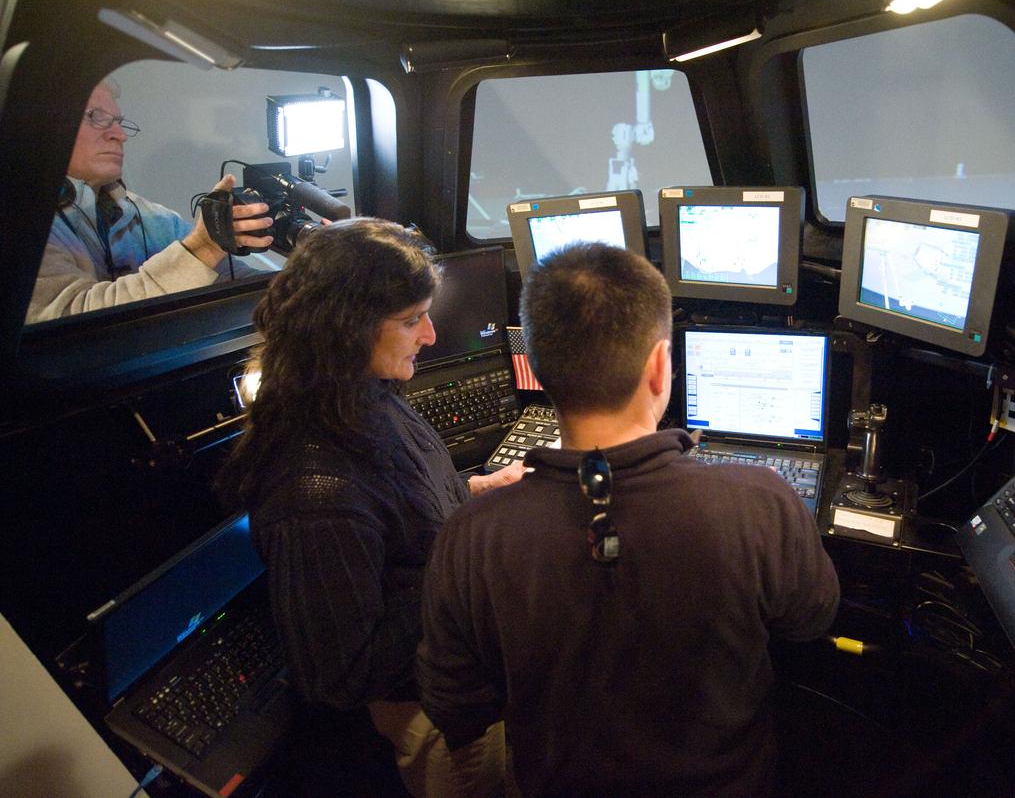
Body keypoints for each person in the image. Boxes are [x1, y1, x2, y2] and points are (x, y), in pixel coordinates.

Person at [417, 243, 841, 796]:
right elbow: (811, 620)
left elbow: (456, 704)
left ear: (538, 372)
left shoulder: (472, 534)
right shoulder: (762, 501)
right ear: (661, 366)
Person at [218, 218, 524, 797]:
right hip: (442, 723)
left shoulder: (361, 395)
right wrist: (475, 565)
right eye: (412, 320)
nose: (430, 336)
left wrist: (478, 491)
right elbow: (341, 672)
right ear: (346, 328)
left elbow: (398, 512)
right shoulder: (315, 491)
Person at [25, 78, 275, 323]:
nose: (120, 135)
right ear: (42, 127)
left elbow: (235, 281)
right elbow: (72, 322)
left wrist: (306, 268)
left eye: (118, 122)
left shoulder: (151, 217)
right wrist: (204, 247)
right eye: (95, 117)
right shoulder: (19, 224)